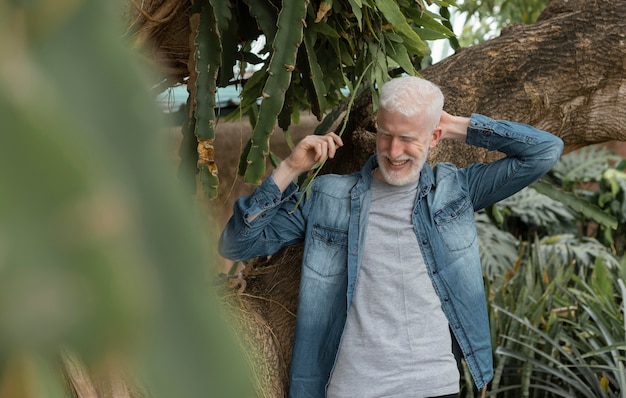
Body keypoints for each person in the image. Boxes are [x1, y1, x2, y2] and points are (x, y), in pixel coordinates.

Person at [219, 76, 564, 398]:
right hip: (352, 388)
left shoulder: (455, 191)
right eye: (387, 134)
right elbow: (237, 243)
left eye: (409, 138)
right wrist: (290, 168)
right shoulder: (328, 197)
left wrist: (455, 125)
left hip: (434, 386)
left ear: (433, 137)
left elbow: (544, 151)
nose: (394, 151)